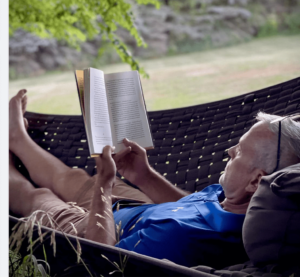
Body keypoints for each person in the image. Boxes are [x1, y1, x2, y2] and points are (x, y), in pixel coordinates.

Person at [9, 89, 300, 268]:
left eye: (237, 153)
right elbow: (192, 206)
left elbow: (100, 262)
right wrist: (144, 176)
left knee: (38, 196)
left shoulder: (182, 240)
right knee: (70, 176)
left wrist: (104, 185)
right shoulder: (237, 204)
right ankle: (17, 138)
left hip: (95, 232)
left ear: (254, 181)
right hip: (138, 207)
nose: (228, 150)